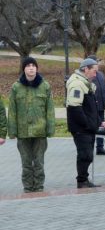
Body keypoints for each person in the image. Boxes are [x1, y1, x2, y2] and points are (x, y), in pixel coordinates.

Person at [8, 57, 55, 192]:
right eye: (28, 65)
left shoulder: (44, 86)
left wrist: (50, 129)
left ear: (37, 68)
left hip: (40, 131)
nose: (31, 68)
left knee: (39, 162)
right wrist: (12, 131)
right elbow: (12, 110)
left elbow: (50, 109)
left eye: (33, 65)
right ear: (24, 69)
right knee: (26, 163)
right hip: (23, 132)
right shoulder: (16, 87)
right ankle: (28, 187)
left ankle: (39, 187)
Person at [66, 58, 105, 188]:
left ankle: (84, 179)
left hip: (88, 127)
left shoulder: (85, 83)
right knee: (85, 155)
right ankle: (82, 181)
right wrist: (88, 124)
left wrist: (99, 122)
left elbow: (90, 108)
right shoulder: (77, 84)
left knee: (88, 155)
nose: (96, 75)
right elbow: (75, 108)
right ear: (86, 69)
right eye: (94, 72)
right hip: (81, 128)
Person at [87, 55, 105, 155]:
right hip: (93, 106)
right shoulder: (88, 75)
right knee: (92, 126)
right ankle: (89, 147)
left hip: (101, 106)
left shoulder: (101, 74)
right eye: (96, 62)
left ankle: (100, 147)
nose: (98, 64)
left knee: (102, 126)